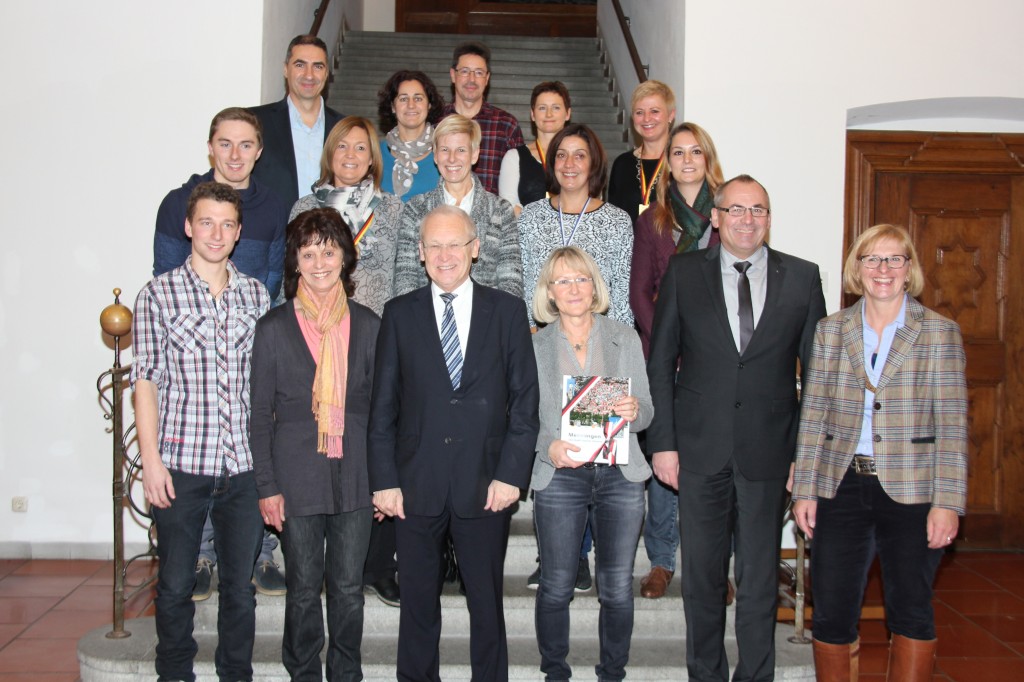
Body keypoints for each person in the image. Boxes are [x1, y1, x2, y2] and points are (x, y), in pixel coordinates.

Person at [646, 174, 826, 681]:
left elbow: (817, 376)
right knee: (702, 578)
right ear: (717, 218)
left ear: (769, 218)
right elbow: (661, 363)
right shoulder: (683, 274)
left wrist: (804, 456)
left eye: (759, 210)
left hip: (771, 453)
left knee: (759, 579)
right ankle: (706, 674)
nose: (748, 220)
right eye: (738, 210)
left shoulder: (803, 277)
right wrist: (663, 444)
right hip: (698, 451)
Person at [368, 204, 540, 682]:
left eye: (455, 244)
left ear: (476, 249)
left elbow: (526, 404)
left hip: (486, 486)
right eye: (435, 246)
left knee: (487, 609)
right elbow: (383, 406)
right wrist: (383, 480)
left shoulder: (506, 312)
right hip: (415, 485)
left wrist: (511, 475)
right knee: (418, 610)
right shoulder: (399, 314)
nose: (445, 255)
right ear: (420, 253)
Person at [792, 224, 967, 682]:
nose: (882, 269)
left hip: (914, 492)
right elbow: (814, 415)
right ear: (857, 269)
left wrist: (948, 503)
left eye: (894, 259)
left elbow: (952, 425)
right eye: (872, 259)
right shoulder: (832, 331)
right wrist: (805, 491)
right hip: (842, 487)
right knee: (830, 611)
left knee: (910, 608)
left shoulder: (939, 333)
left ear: (910, 270)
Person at [132, 181, 270, 682]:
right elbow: (145, 381)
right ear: (189, 227)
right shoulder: (157, 294)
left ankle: (235, 674)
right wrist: (151, 461)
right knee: (173, 585)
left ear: (238, 232)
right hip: (181, 465)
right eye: (207, 222)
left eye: (227, 224)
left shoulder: (256, 294)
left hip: (244, 468)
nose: (217, 233)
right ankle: (175, 674)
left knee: (240, 588)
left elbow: (265, 382)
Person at [152, 107, 289, 600]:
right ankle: (203, 558)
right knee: (197, 454)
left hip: (249, 332)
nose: (235, 154)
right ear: (210, 146)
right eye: (225, 144)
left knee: (250, 452)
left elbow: (273, 280)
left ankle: (260, 555)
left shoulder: (274, 207)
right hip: (192, 347)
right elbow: (167, 271)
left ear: (259, 150)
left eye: (246, 144)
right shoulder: (179, 204)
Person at [251, 208, 380, 682]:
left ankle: (346, 673)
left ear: (345, 256)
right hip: (295, 478)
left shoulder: (368, 326)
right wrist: (266, 486)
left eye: (329, 251)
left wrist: (384, 482)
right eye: (309, 253)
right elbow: (260, 417)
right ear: (296, 261)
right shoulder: (272, 329)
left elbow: (384, 413)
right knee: (304, 588)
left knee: (347, 589)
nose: (320, 262)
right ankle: (303, 672)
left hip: (357, 478)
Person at [531, 246, 652, 682]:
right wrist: (549, 448)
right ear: (549, 292)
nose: (574, 288)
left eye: (581, 278)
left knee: (618, 587)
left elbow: (650, 411)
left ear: (595, 285)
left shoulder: (625, 336)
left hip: (620, 475)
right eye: (562, 281)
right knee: (557, 584)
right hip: (561, 476)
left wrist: (637, 409)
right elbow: (524, 419)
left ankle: (612, 674)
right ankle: (555, 674)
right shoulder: (536, 345)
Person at [629, 122, 723, 600]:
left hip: (718, 362)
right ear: (668, 162)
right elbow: (639, 291)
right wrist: (667, 342)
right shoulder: (653, 221)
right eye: (679, 152)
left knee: (710, 463)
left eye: (696, 152)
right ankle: (662, 560)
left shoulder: (728, 217)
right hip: (664, 359)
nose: (687, 160)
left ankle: (712, 566)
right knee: (662, 457)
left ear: (708, 159)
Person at [393, 114, 522, 298]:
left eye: (461, 150)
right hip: (427, 317)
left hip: (486, 318)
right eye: (445, 150)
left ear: (474, 154)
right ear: (435, 155)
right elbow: (405, 278)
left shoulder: (500, 210)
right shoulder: (415, 209)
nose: (452, 159)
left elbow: (511, 281)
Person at [519, 123, 634, 328]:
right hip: (540, 338)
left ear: (593, 164)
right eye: (561, 155)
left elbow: (621, 296)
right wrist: (529, 334)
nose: (569, 164)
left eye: (579, 156)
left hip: (598, 339)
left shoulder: (617, 222)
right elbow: (523, 283)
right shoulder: (531, 216)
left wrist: (614, 346)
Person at [290, 116, 402, 317]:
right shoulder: (304, 208)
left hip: (374, 328)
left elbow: (404, 279)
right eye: (342, 146)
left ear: (371, 159)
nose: (350, 155)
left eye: (360, 148)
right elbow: (290, 273)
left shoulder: (393, 209)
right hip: (312, 322)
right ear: (330, 153)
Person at [251, 34, 344, 206]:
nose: (309, 75)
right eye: (300, 65)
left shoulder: (345, 128)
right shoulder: (255, 123)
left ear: (326, 73)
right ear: (286, 69)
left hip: (330, 231)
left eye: (317, 66)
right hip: (275, 231)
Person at [442, 41, 524, 194]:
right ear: (453, 75)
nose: (471, 79)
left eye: (479, 72)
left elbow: (520, 181)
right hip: (444, 214)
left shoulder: (506, 125)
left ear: (487, 78)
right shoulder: (437, 121)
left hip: (492, 216)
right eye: (465, 71)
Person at [607, 80, 677, 225]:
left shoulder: (680, 161)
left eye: (654, 111)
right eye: (639, 112)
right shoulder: (622, 164)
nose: (646, 118)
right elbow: (613, 219)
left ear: (671, 115)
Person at [498, 81, 572, 217]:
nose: (549, 114)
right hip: (526, 236)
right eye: (542, 108)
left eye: (556, 108)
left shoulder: (579, 158)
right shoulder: (514, 157)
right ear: (532, 114)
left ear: (567, 113)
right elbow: (508, 209)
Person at [377, 70, 445, 200]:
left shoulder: (444, 154)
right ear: (392, 106)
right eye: (403, 99)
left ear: (429, 105)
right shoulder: (375, 155)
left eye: (418, 98)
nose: (411, 105)